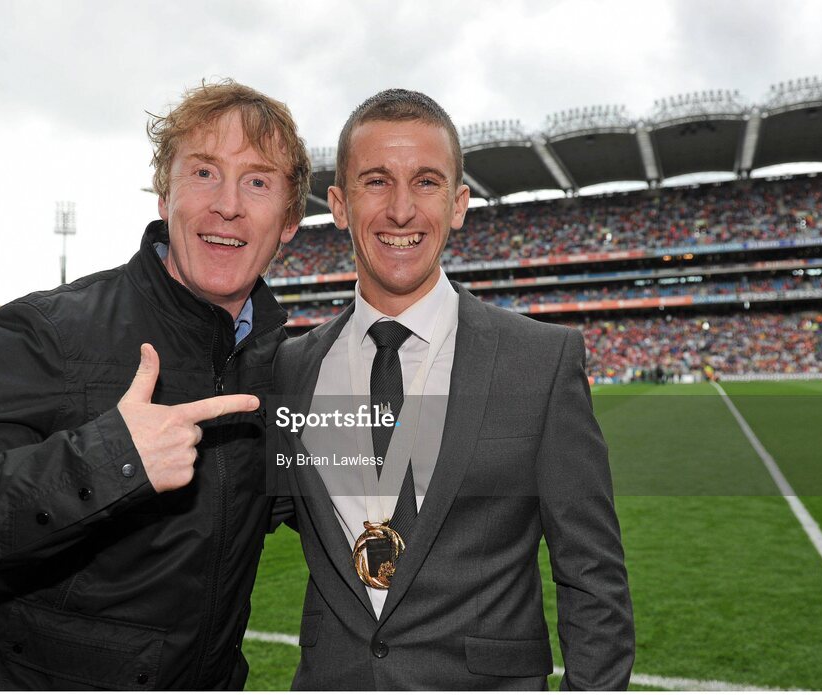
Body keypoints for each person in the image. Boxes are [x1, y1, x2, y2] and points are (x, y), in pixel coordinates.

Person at [0, 79, 310, 690]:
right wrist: (106, 460)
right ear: (165, 192)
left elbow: (355, 514)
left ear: (290, 222)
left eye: (257, 181)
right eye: (203, 172)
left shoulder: (286, 365)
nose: (228, 203)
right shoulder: (52, 330)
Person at [271, 89, 634, 690]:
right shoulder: (292, 369)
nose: (402, 210)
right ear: (338, 204)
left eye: (427, 182)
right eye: (376, 181)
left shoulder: (540, 362)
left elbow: (592, 577)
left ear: (460, 203)